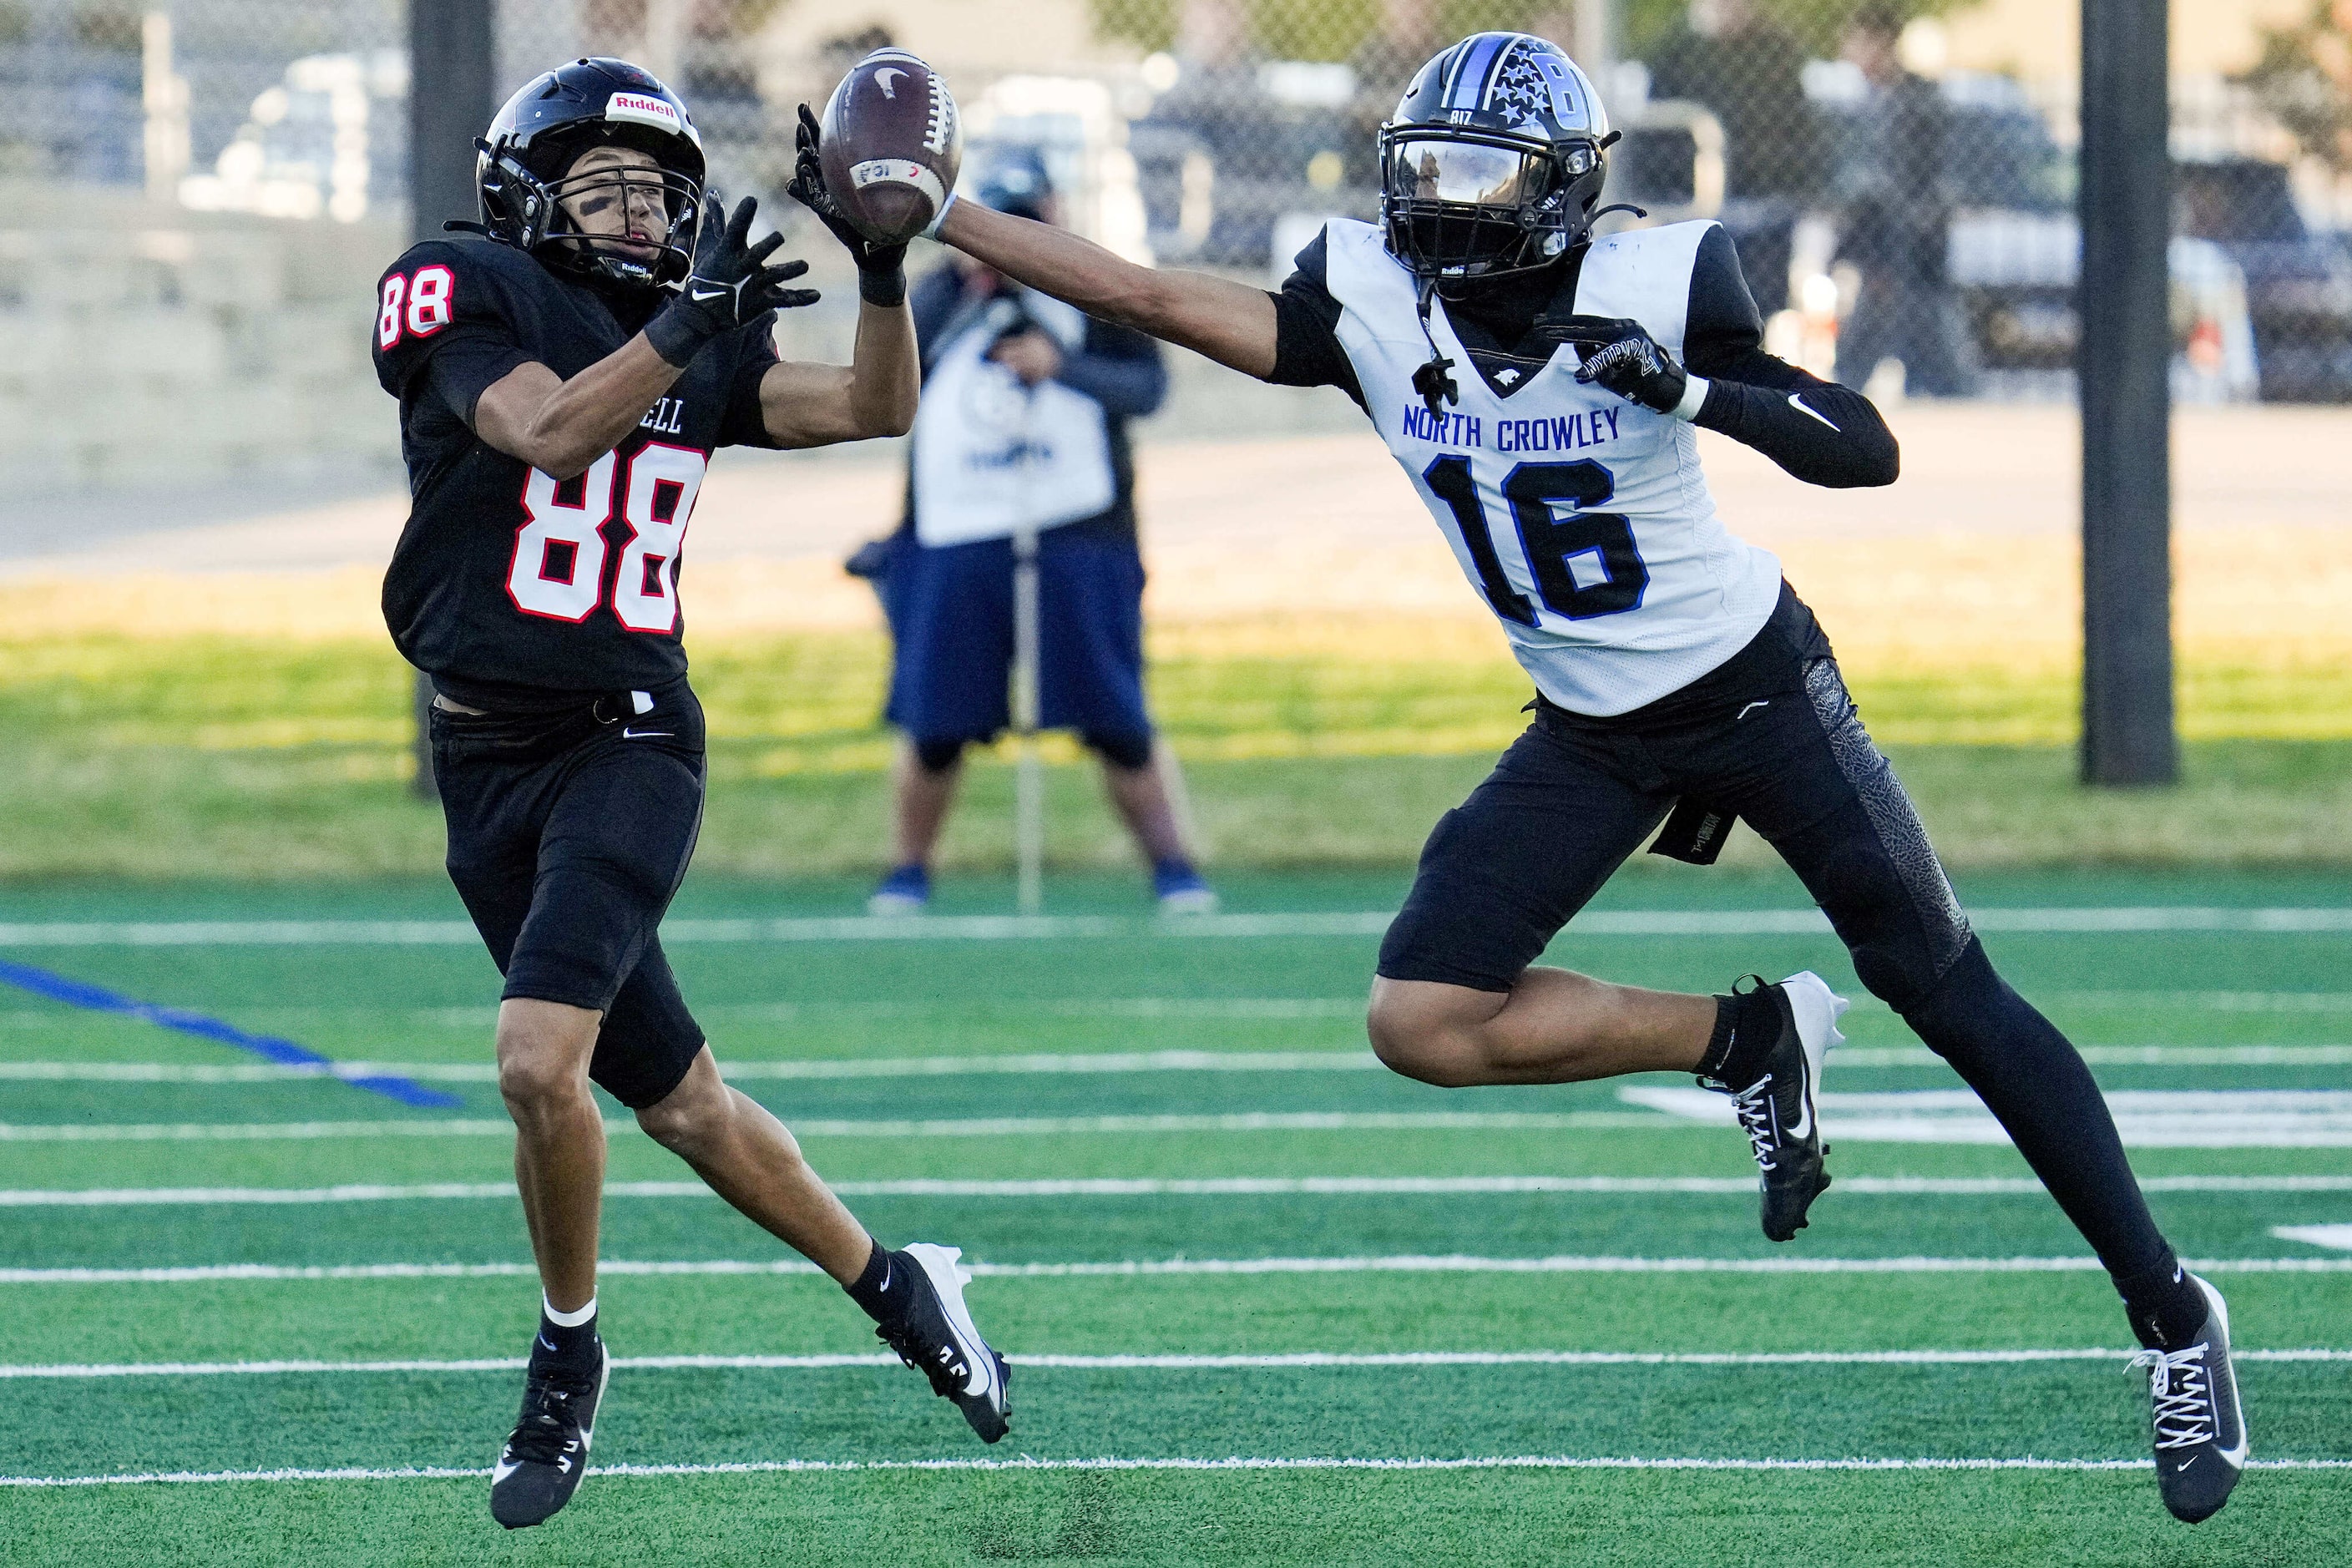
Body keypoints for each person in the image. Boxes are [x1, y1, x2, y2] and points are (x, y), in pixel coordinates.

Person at [918, 32, 2246, 1522]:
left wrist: (1686, 390)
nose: (1450, 202)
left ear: (1558, 189)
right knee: (1419, 1013)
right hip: (1590, 724)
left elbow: (1860, 449)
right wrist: (939, 209)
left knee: (1943, 984)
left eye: (1483, 172)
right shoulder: (1367, 303)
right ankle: (1743, 1043)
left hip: (1755, 689)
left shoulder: (1654, 288)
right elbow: (1141, 291)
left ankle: (2170, 1313)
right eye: (1428, 169)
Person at [370, 58, 1009, 1530]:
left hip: (629, 739)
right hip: (485, 759)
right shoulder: (464, 284)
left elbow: (870, 402)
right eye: (601, 184)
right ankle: (900, 1283)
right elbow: (542, 429)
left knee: (541, 1061)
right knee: (685, 1106)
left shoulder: (692, 328)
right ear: (524, 195)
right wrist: (677, 328)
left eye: (659, 189)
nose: (639, 210)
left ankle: (568, 1348)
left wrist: (882, 265)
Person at [863, 150, 1215, 916]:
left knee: (1114, 715)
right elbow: (887, 382)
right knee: (937, 719)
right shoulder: (943, 297)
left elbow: (1146, 388)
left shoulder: (1098, 298)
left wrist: (1062, 367)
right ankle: (907, 871)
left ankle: (1174, 868)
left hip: (1078, 531)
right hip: (958, 530)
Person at [1644, 0, 1824, 316]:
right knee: (1690, 314)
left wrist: (1781, 182)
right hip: (1690, 211)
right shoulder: (1676, 55)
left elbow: (1798, 133)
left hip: (1762, 212)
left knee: (1754, 314)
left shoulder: (1776, 53)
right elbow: (1657, 141)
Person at [1830, 4, 1974, 395]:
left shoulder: (1913, 102)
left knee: (1921, 347)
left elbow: (1907, 186)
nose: (1849, 53)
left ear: (1881, 44)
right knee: (1913, 348)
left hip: (1907, 246)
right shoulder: (1878, 101)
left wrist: (1883, 246)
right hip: (1892, 248)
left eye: (1857, 43)